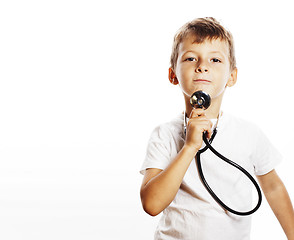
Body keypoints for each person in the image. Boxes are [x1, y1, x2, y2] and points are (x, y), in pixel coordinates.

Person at [139, 17, 294, 239]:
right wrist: (190, 146)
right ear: (173, 74)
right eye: (191, 58)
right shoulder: (164, 134)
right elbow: (152, 204)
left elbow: (273, 188)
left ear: (232, 77)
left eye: (215, 60)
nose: (202, 66)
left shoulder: (248, 133)